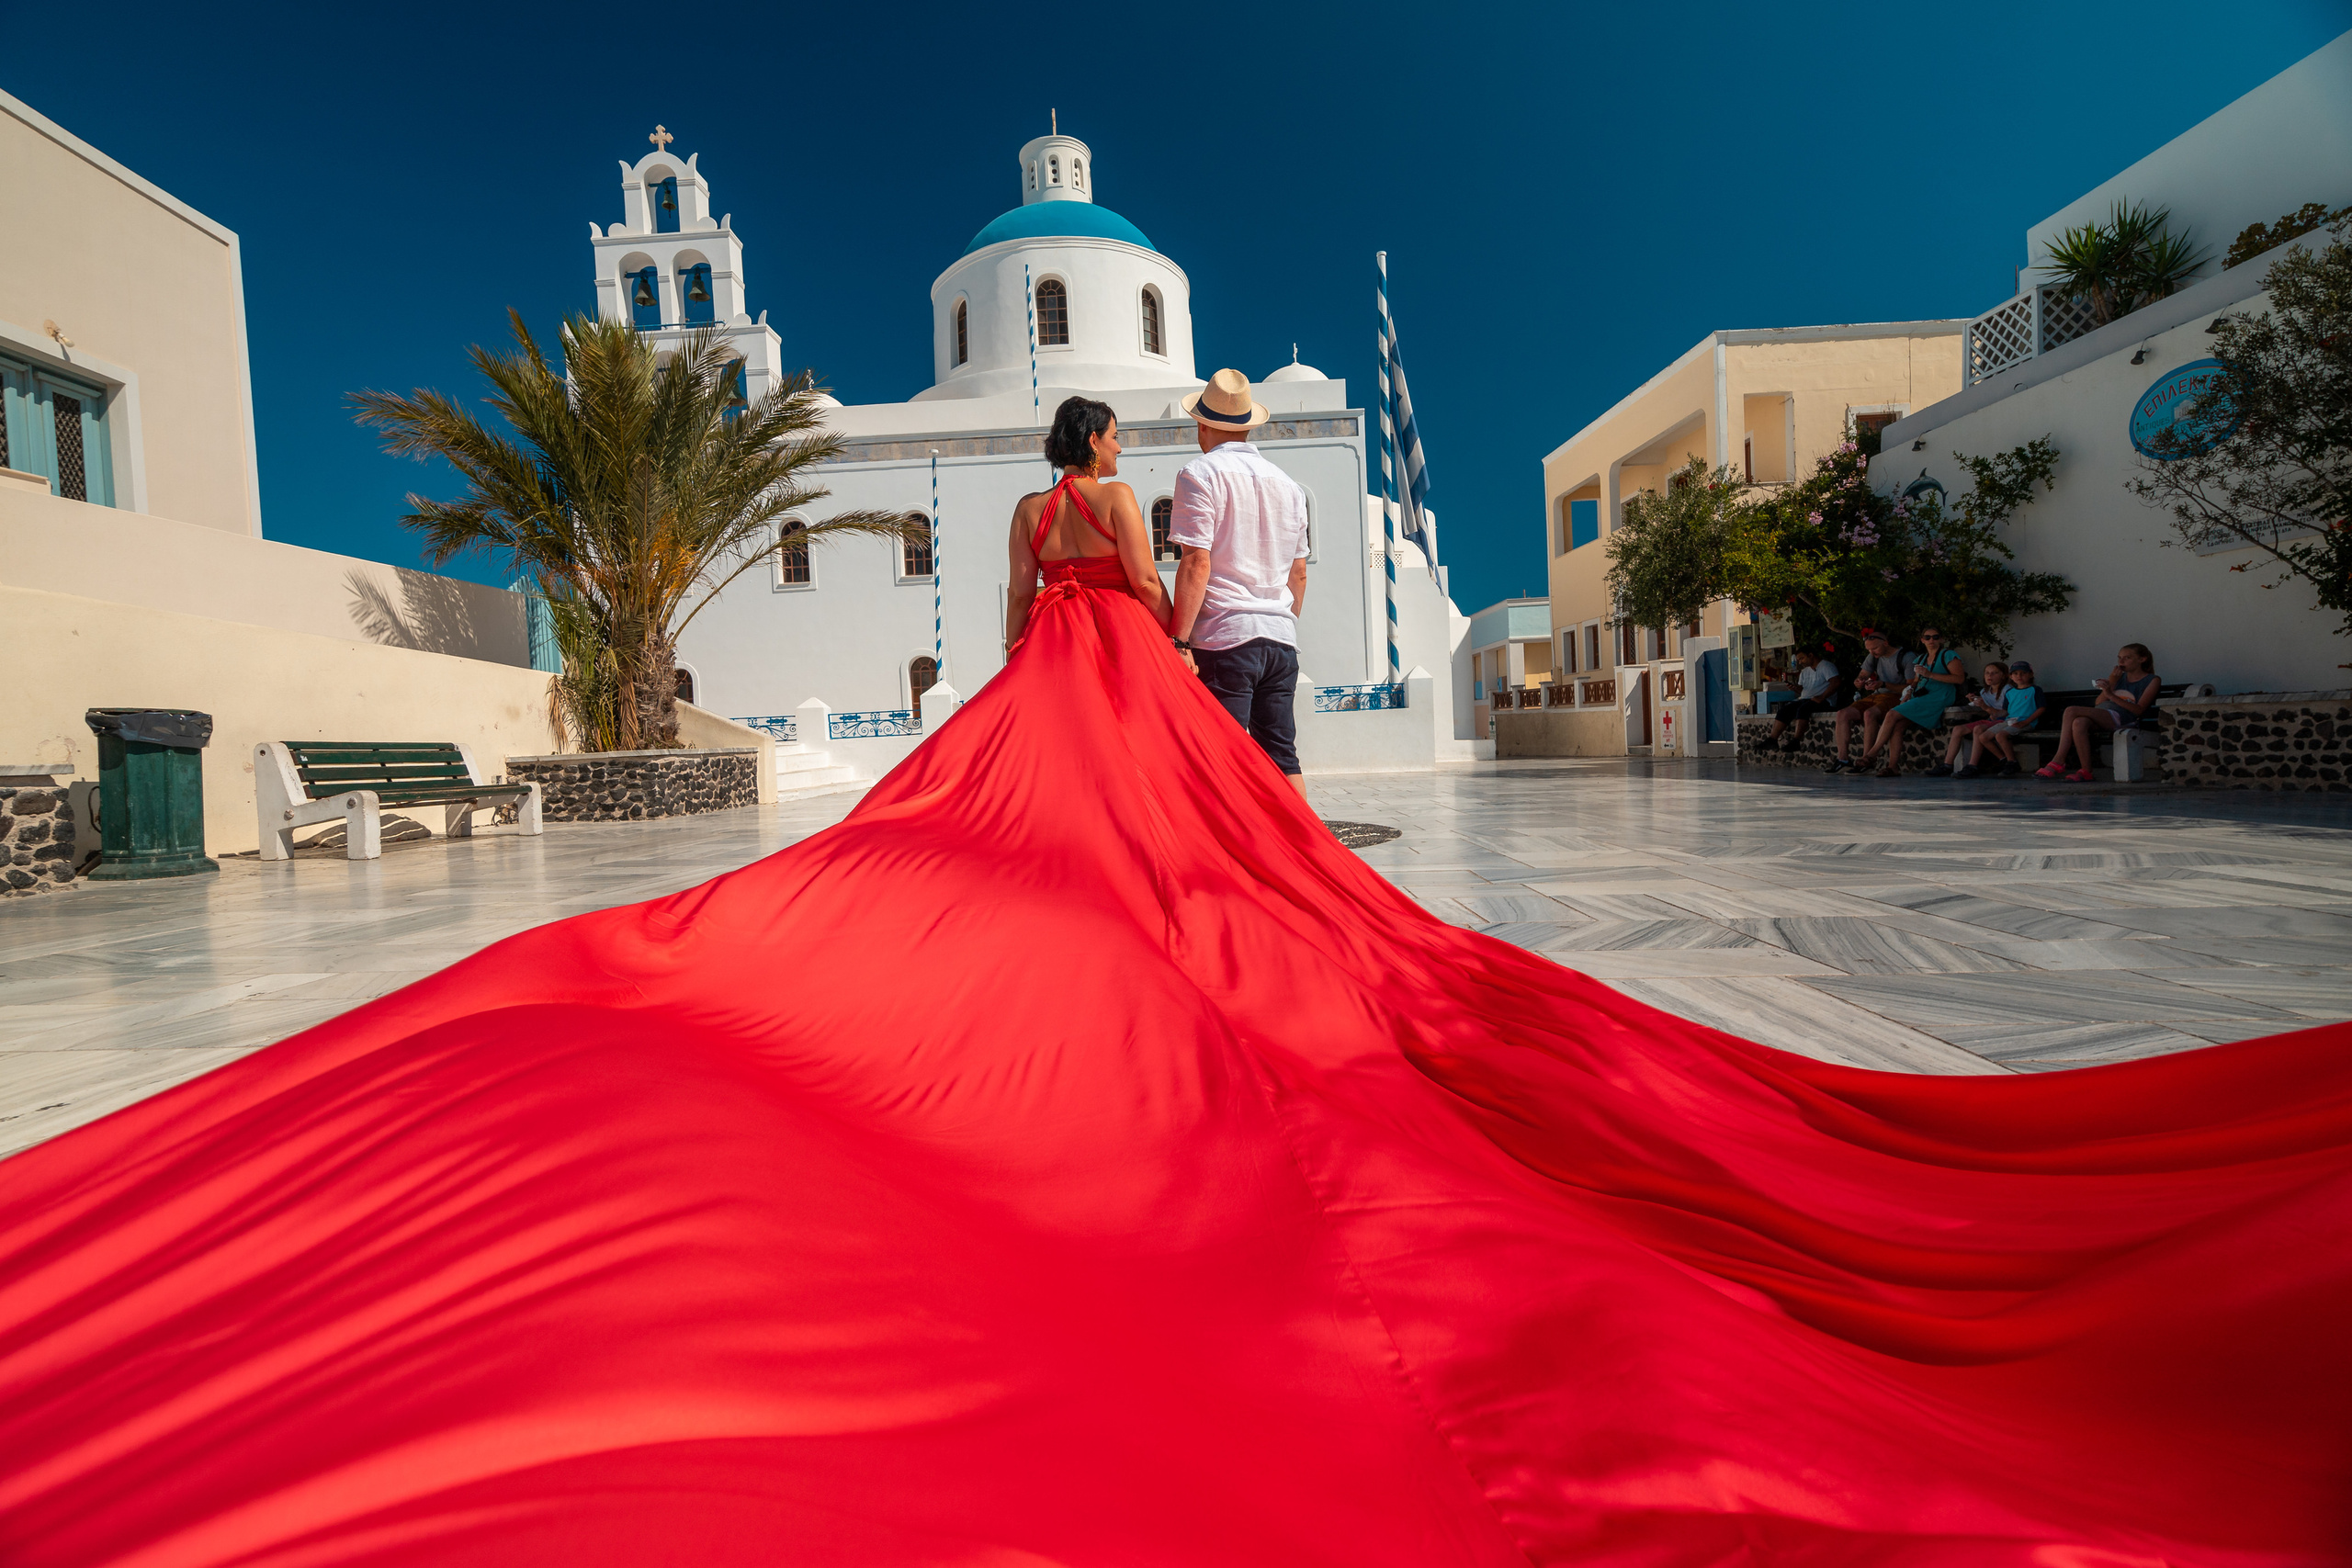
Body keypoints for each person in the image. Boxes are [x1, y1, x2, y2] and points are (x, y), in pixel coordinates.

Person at [1, 500, 2348, 1568]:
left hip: (1055, 683)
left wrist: (1063, 619)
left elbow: (1047, 595)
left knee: (1065, 809)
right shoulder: (1132, 522)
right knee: (1197, 816)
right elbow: (1172, 594)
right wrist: (1158, 616)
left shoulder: (1042, 527)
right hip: (1142, 679)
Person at [1167, 368, 1313, 799]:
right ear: (1248, 426)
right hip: (1280, 639)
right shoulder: (1289, 486)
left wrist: (1179, 641)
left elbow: (1196, 562)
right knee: (1282, 755)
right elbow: (1299, 573)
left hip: (1225, 639)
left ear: (1202, 425)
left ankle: (1231, 842)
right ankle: (1303, 839)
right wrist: (1280, 620)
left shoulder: (1198, 474)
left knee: (1221, 759)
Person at [1005, 396, 1174, 648]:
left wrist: (1013, 650)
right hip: (1118, 629)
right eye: (1115, 437)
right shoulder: (1116, 495)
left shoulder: (1027, 509)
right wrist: (1177, 638)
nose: (1119, 448)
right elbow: (1145, 583)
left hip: (1056, 635)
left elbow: (1020, 596)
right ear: (1094, 440)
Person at [2039, 642, 2161, 782]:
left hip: (2124, 718)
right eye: (2119, 658)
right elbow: (2098, 703)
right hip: (2104, 714)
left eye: (2127, 658)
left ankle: (2059, 759)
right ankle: (2086, 771)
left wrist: (2111, 695)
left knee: (2070, 710)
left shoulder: (2152, 680)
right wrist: (2112, 682)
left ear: (2142, 659)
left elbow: (2139, 710)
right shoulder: (2118, 678)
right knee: (2079, 723)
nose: (2121, 662)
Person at [1860, 627, 1967, 778]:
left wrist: (1930, 674)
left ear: (1941, 639)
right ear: (1922, 640)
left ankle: (1872, 753)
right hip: (1922, 696)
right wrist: (1909, 692)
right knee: (1897, 726)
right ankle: (1893, 767)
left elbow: (1959, 678)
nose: (1931, 640)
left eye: (1935, 637)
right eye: (1927, 637)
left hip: (1940, 695)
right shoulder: (1921, 659)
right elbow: (1916, 681)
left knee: (1892, 714)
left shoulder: (1948, 655)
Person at [1821, 627, 1916, 773]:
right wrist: (1860, 681)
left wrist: (1883, 684)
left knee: (1869, 714)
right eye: (1869, 650)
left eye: (1875, 648)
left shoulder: (1906, 657)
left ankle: (1867, 759)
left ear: (1885, 643)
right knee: (1842, 714)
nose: (1872, 652)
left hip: (1896, 696)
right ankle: (1843, 759)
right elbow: (1863, 674)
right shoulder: (1873, 656)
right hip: (1876, 695)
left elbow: (1911, 686)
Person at [1956, 659, 2045, 777]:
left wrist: (2025, 722)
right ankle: (2004, 759)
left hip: (2026, 722)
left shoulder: (2034, 690)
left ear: (2030, 675)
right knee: (1983, 737)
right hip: (2010, 720)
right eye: (2015, 673)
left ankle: (2012, 762)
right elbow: (2005, 711)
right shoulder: (2010, 693)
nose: (2019, 676)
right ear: (2011, 676)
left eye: (2023, 673)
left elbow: (2041, 708)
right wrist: (1989, 710)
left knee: (2000, 735)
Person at [1926, 660, 2008, 776]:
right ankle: (1947, 765)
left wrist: (1985, 707)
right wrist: (1976, 701)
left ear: (2003, 676)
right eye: (1987, 673)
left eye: (1994, 673)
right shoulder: (1985, 692)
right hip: (1992, 720)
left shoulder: (2008, 691)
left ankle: (1972, 765)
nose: (1990, 676)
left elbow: (2005, 712)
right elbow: (1989, 709)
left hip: (2004, 721)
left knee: (1978, 729)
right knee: (1958, 729)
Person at [1757, 644, 1840, 752]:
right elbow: (1802, 690)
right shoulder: (1805, 672)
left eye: (1802, 658)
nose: (1800, 662)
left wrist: (1822, 696)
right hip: (1806, 699)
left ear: (1810, 655)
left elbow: (1835, 682)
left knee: (1803, 710)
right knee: (1785, 710)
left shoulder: (1826, 666)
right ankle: (1772, 739)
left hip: (1824, 701)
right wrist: (1795, 688)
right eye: (1799, 660)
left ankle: (1796, 741)